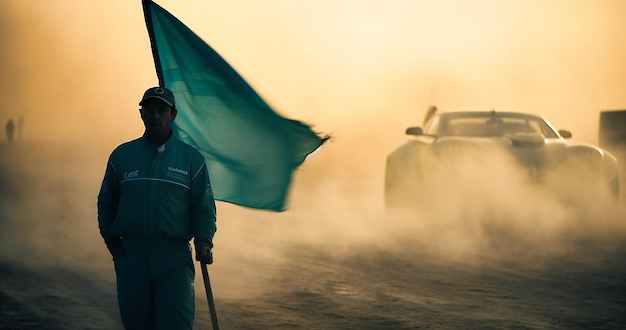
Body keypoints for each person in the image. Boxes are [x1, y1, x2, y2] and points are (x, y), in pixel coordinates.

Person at [97, 86, 217, 329]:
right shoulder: (122, 155)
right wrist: (112, 242)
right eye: (149, 110)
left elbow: (203, 209)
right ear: (141, 114)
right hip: (131, 255)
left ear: (173, 114)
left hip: (173, 257)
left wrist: (204, 242)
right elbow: (106, 203)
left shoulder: (191, 159)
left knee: (175, 324)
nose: (155, 116)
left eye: (161, 109)